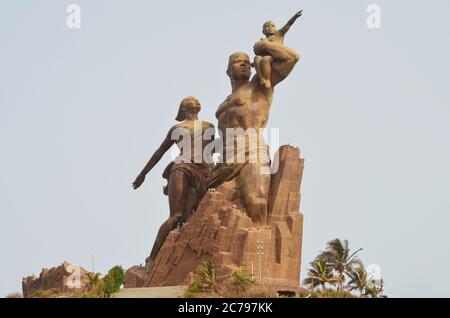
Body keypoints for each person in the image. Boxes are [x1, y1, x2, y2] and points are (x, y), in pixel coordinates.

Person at [132, 96, 215, 270]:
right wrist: (143, 173)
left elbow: (220, 148)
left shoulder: (209, 126)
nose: (196, 101)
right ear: (183, 109)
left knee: (194, 216)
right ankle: (152, 257)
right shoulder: (178, 128)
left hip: (205, 171)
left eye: (197, 99)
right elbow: (159, 152)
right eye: (190, 100)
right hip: (182, 167)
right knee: (175, 216)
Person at [254, 10, 303, 88]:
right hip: (265, 56)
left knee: (265, 59)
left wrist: (295, 17)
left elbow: (288, 25)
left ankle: (267, 79)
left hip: (276, 56)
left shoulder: (279, 34)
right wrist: (253, 63)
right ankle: (261, 78)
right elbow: (260, 54)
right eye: (267, 26)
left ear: (275, 28)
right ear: (263, 31)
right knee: (257, 58)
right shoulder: (263, 41)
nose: (269, 27)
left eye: (272, 26)